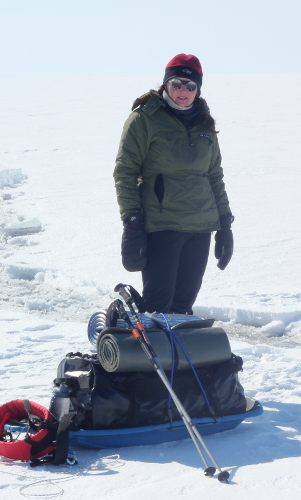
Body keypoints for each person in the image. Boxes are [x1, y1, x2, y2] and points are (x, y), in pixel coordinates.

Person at [114, 54, 234, 314]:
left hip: (200, 228)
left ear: (198, 89)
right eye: (177, 83)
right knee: (158, 307)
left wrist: (225, 224)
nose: (184, 91)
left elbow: (214, 176)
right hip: (161, 226)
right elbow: (125, 171)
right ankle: (144, 351)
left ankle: (178, 354)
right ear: (166, 84)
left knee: (183, 305)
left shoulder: (205, 123)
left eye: (191, 86)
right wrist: (132, 221)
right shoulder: (144, 119)